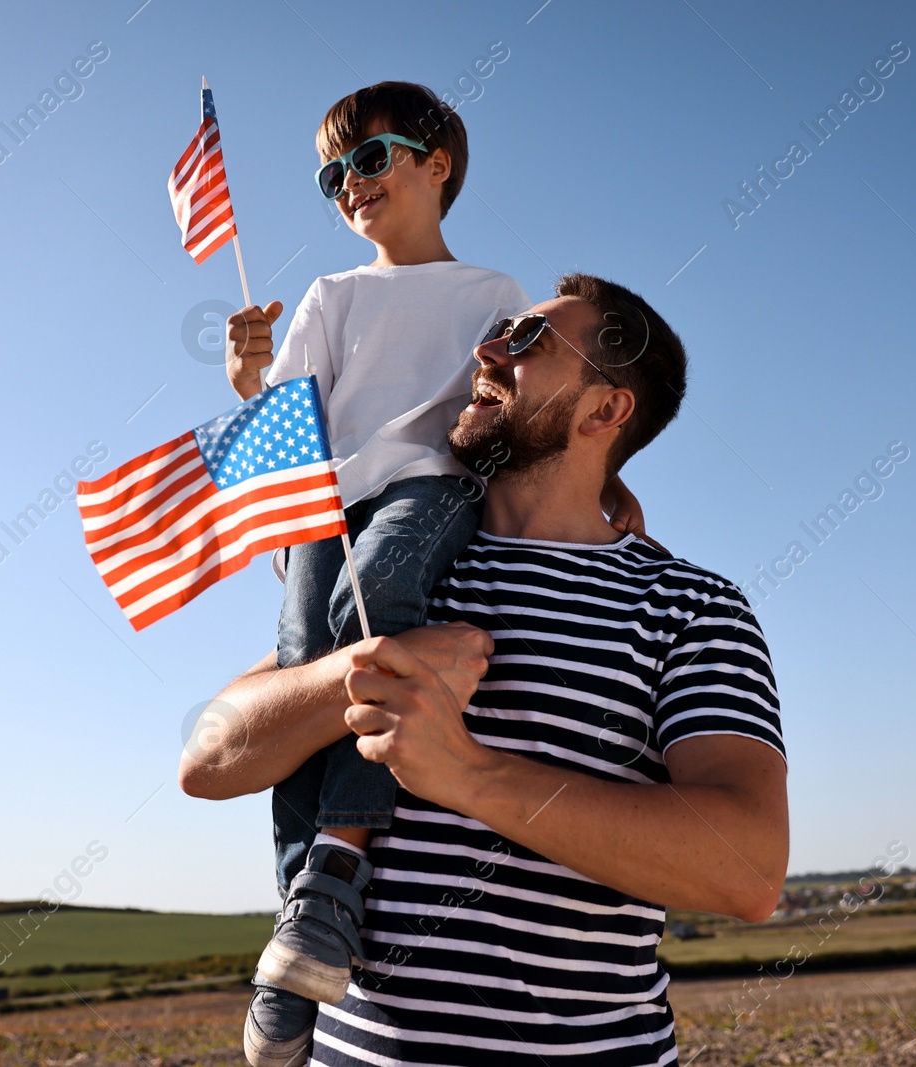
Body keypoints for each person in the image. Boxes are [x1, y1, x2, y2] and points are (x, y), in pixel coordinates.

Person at [187, 273, 788, 1066]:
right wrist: (357, 678)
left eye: (529, 341)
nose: (487, 349)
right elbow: (209, 757)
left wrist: (466, 772)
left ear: (605, 410)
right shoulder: (396, 580)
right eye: (501, 331)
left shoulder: (690, 607)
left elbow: (746, 868)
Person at [221, 84, 650, 1062]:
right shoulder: (332, 297)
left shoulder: (492, 293)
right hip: (328, 497)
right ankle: (306, 921)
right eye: (333, 176)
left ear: (436, 163)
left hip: (434, 485)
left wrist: (604, 484)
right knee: (303, 667)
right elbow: (282, 424)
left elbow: (530, 404)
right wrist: (248, 378)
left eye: (368, 160)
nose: (348, 187)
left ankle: (339, 862)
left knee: (372, 609)